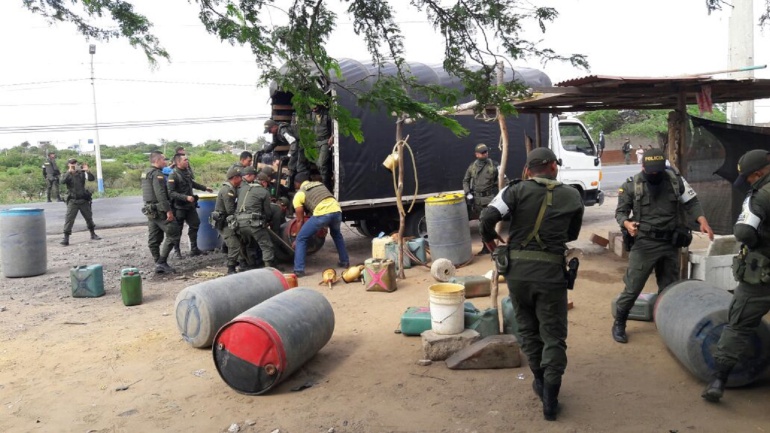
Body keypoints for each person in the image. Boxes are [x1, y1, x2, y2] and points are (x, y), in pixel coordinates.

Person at [478, 147, 584, 421]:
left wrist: (491, 242)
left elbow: (486, 218)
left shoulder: (514, 191)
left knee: (527, 328)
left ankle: (538, 380)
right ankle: (551, 398)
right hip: (551, 274)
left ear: (527, 170)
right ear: (553, 166)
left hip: (518, 273)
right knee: (553, 335)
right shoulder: (572, 195)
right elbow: (571, 234)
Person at [612, 148, 714, 344]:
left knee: (669, 287)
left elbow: (692, 202)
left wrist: (702, 221)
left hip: (670, 243)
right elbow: (620, 212)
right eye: (651, 171)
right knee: (633, 287)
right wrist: (626, 223)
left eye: (658, 171)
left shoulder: (675, 180)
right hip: (645, 244)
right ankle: (620, 322)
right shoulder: (632, 185)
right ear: (643, 167)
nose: (655, 174)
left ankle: (666, 321)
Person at [702, 149, 770, 403]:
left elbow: (743, 231)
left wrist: (757, 243)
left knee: (739, 324)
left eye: (749, 178)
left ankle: (718, 380)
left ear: (758, 174)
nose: (748, 182)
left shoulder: (761, 196)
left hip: (762, 274)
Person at [292, 172, 349, 277]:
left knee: (301, 238)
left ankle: (299, 269)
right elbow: (324, 201)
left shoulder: (299, 194)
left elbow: (299, 220)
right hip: (337, 211)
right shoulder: (319, 184)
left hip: (322, 214)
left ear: (297, 183)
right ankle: (344, 261)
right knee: (337, 235)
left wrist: (297, 237)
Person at [141, 151, 180, 273]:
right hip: (159, 209)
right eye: (163, 159)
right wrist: (168, 210)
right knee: (174, 232)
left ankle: (158, 262)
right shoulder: (157, 174)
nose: (165, 162)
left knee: (154, 237)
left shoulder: (146, 173)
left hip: (150, 209)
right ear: (157, 161)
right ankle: (161, 262)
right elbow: (160, 194)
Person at [167, 153, 213, 257]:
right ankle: (177, 251)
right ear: (178, 162)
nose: (187, 161)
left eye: (187, 159)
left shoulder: (186, 172)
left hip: (190, 206)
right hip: (179, 207)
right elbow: (171, 193)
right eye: (185, 160)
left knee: (195, 224)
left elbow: (192, 184)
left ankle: (194, 249)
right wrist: (185, 197)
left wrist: (205, 188)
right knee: (178, 229)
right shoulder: (173, 175)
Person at [463, 143, 501, 254]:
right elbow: (465, 180)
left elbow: (503, 179)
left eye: (486, 152)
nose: (485, 154)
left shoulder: (494, 165)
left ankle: (493, 247)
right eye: (482, 152)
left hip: (489, 199)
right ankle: (486, 247)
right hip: (477, 200)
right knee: (481, 224)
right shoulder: (472, 166)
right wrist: (468, 193)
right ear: (477, 154)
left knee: (489, 223)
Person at [236, 169, 276, 268]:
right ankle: (268, 268)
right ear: (264, 182)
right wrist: (267, 221)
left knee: (249, 244)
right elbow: (267, 212)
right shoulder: (264, 192)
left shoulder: (242, 189)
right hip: (253, 223)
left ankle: (249, 265)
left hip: (238, 223)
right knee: (266, 245)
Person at [60, 158, 101, 246]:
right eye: (72, 164)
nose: (74, 165)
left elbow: (91, 179)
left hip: (83, 199)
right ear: (69, 165)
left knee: (88, 217)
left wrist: (88, 171)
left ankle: (93, 234)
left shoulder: (81, 173)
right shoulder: (66, 174)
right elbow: (62, 181)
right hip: (73, 200)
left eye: (75, 163)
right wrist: (69, 172)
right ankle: (66, 238)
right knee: (69, 219)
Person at [214, 167, 243, 275]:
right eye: (239, 177)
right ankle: (231, 268)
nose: (241, 179)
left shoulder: (231, 188)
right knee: (234, 245)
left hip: (226, 221)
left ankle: (235, 258)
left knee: (235, 241)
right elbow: (230, 210)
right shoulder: (228, 190)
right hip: (224, 222)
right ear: (235, 178)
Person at [264, 119, 308, 186]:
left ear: (274, 126)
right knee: (292, 166)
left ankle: (304, 185)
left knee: (300, 167)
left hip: (301, 146)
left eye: (270, 130)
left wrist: (289, 155)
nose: (270, 133)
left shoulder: (283, 130)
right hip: (296, 148)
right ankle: (293, 185)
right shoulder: (276, 133)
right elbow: (275, 143)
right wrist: (266, 150)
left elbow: (293, 142)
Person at [311, 104, 333, 188]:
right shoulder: (311, 115)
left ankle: (327, 186)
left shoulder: (327, 114)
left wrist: (332, 136)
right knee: (318, 165)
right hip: (315, 142)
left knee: (321, 163)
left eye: (315, 107)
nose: (313, 109)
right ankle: (327, 182)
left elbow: (334, 126)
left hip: (325, 141)